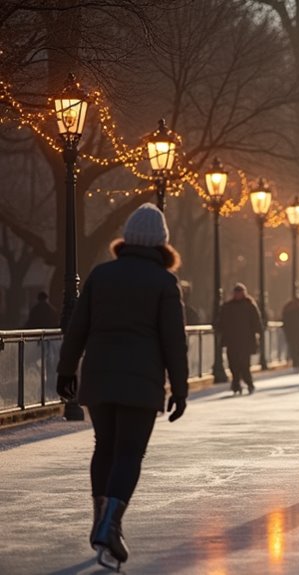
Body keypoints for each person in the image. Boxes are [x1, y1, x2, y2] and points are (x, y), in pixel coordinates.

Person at [56, 203, 188, 571]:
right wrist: (180, 388)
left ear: (127, 238)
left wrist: (66, 371)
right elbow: (173, 341)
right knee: (130, 453)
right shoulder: (164, 282)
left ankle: (101, 518)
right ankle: (111, 522)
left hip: (98, 375)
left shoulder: (101, 275)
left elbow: (77, 328)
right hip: (142, 380)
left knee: (105, 447)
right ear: (161, 242)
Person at [217, 283, 262, 395]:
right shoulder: (228, 306)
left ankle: (248, 383)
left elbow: (256, 322)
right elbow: (221, 322)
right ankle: (236, 384)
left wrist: (258, 333)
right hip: (232, 341)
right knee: (233, 364)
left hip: (245, 341)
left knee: (244, 364)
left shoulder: (249, 305)